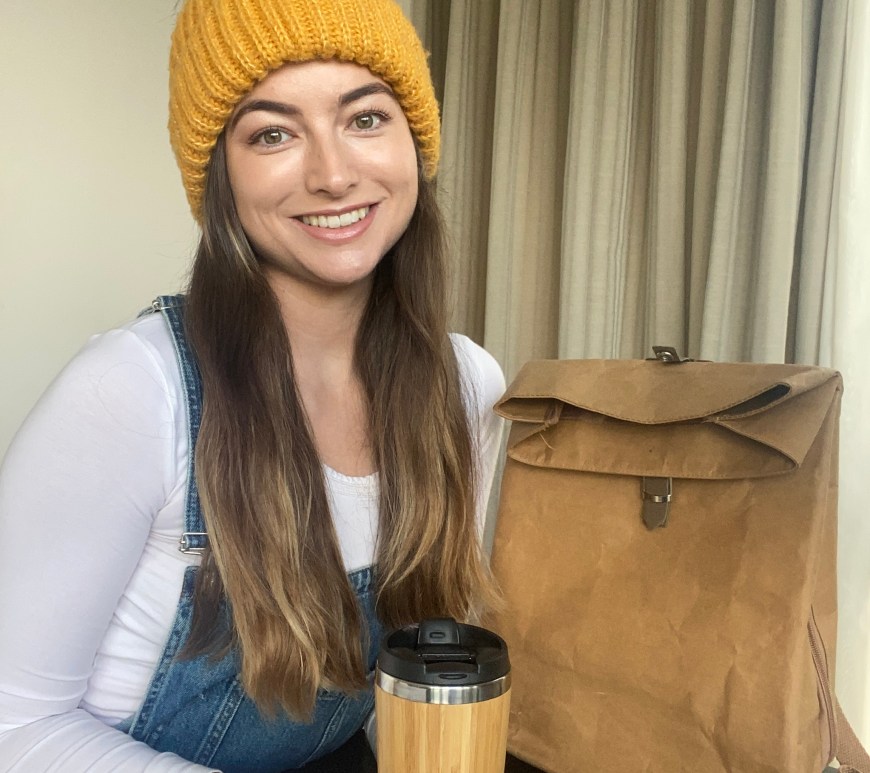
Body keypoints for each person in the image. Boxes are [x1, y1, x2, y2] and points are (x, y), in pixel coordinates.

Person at [0, 0, 505, 770]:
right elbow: (14, 726)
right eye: (273, 133)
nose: (334, 174)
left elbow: (398, 685)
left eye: (366, 119)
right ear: (220, 176)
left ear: (414, 140)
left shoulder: (465, 385)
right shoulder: (132, 392)